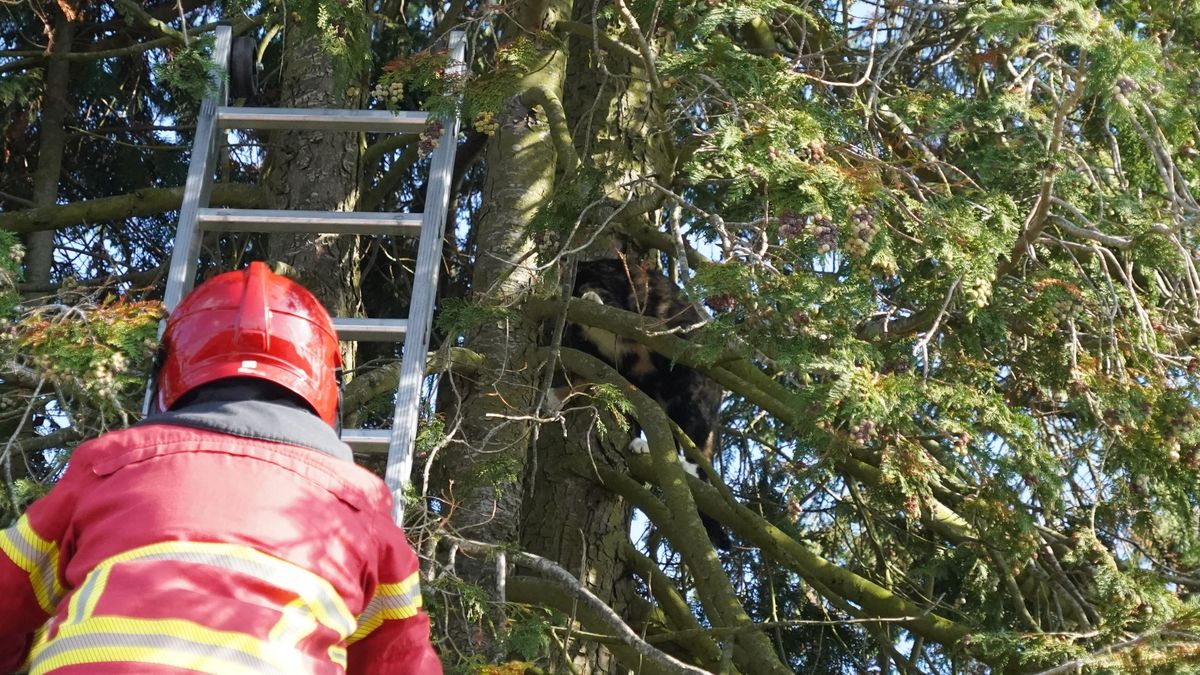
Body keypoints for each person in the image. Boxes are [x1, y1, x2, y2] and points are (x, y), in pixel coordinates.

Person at [0, 262, 442, 674]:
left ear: (166, 375)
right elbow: (400, 660)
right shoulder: (360, 506)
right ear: (330, 391)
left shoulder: (108, 465)